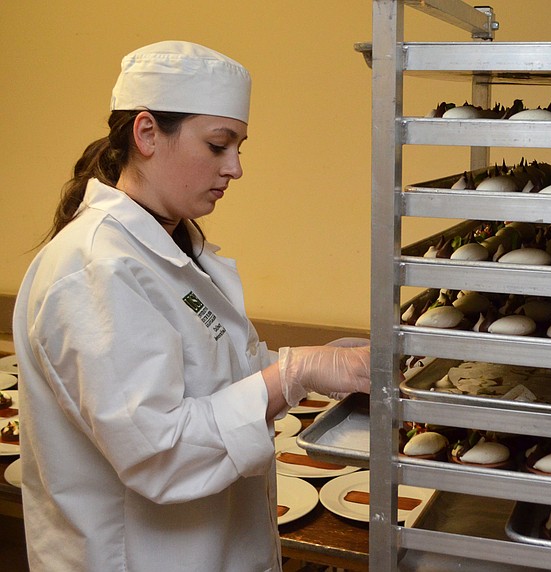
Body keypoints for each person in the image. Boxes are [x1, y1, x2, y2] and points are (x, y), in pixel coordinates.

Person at [12, 41, 370, 571]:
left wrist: (312, 364)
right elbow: (161, 451)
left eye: (239, 148)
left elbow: (210, 377)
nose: (236, 168)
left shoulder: (170, 247)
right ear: (147, 133)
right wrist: (295, 373)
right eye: (218, 145)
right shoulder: (95, 269)